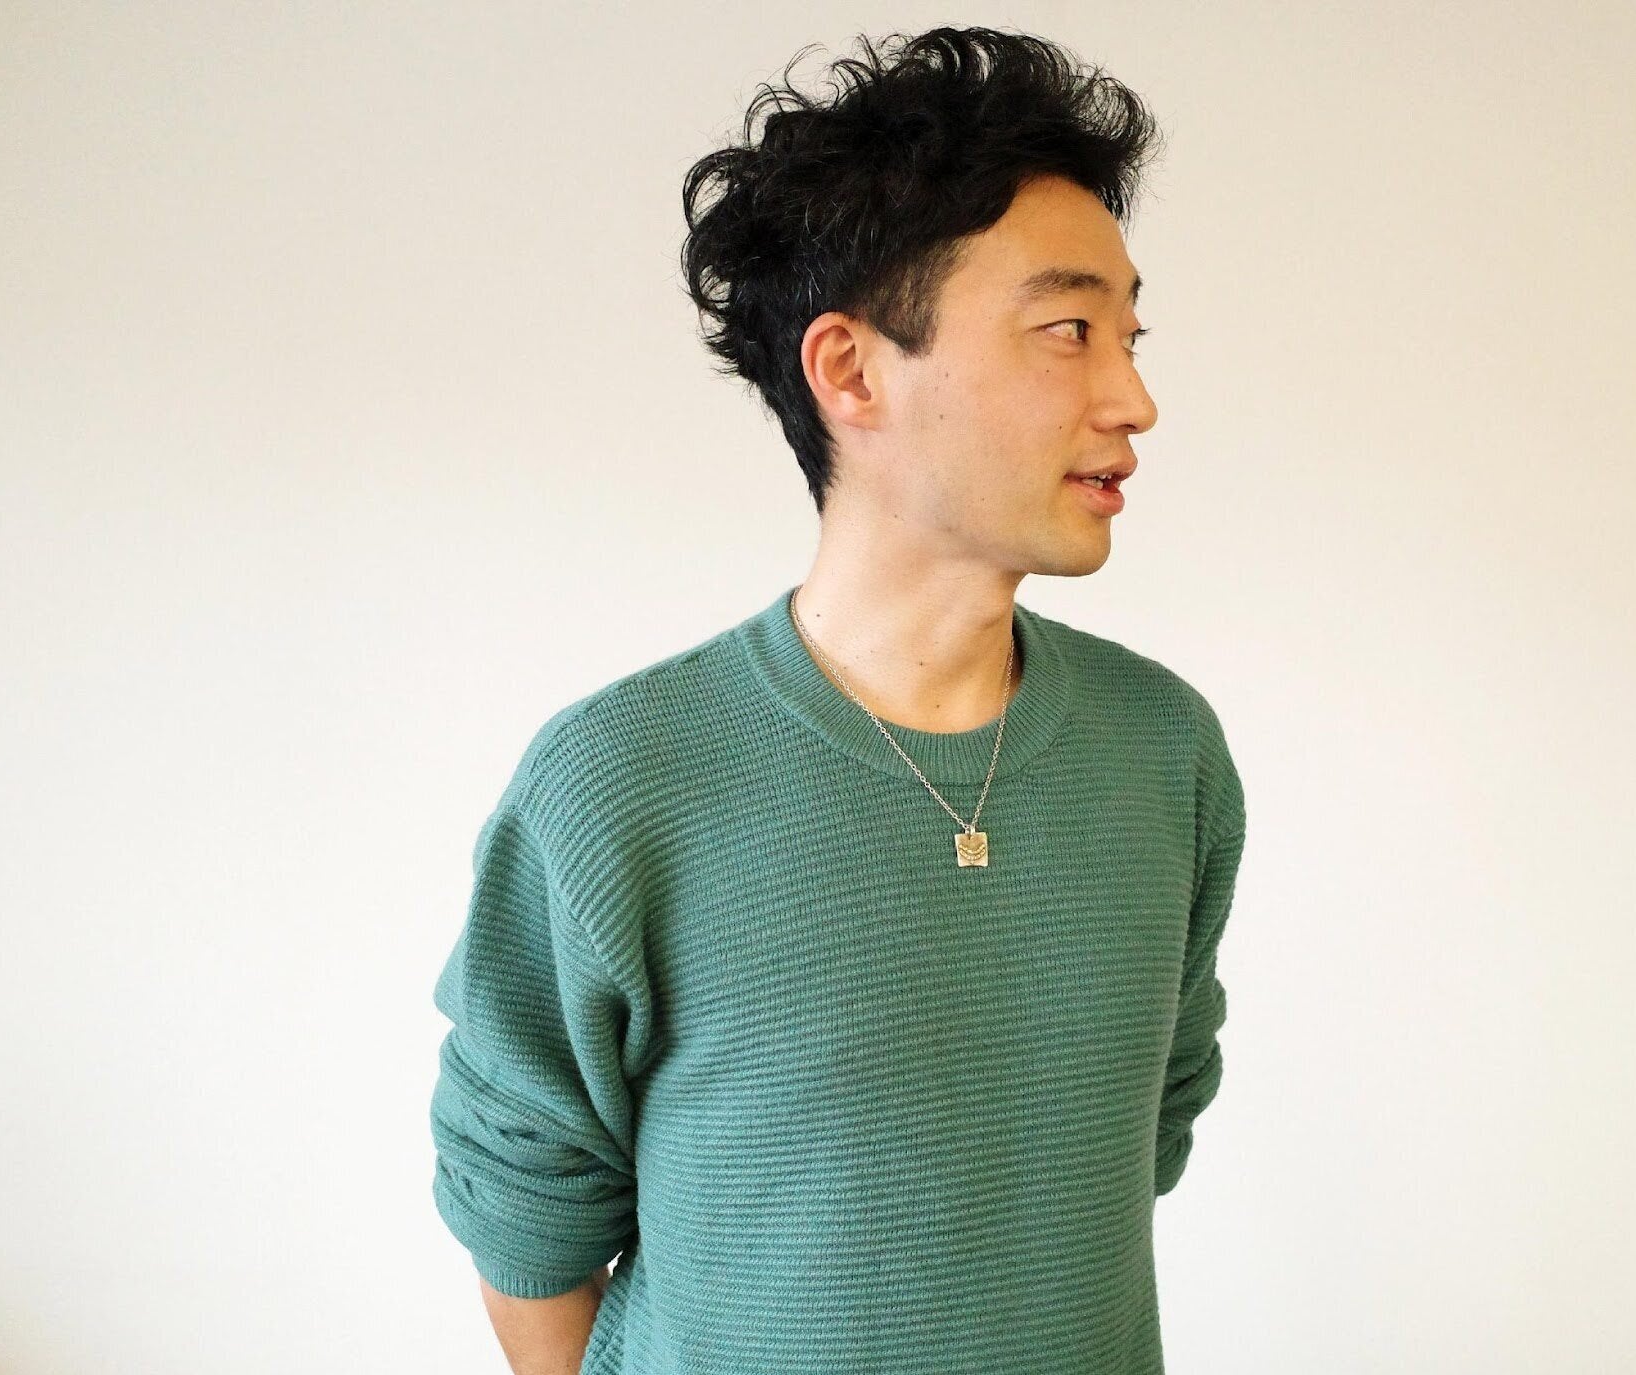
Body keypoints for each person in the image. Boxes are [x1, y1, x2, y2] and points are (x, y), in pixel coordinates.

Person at [427, 25, 1249, 1375]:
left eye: (1131, 335)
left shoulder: (1165, 751)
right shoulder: (620, 782)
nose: (1134, 398)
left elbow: (1135, 1134)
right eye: (1068, 331)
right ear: (852, 371)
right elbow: (526, 1208)